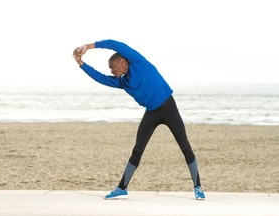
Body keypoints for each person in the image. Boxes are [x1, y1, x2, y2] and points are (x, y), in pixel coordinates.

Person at [72, 39, 205, 200]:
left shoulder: (138, 62)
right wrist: (81, 63)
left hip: (168, 107)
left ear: (122, 61)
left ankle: (198, 187)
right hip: (151, 113)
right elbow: (100, 78)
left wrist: (88, 46)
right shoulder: (123, 82)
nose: (112, 71)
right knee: (138, 150)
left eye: (112, 67)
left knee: (184, 146)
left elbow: (114, 44)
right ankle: (122, 188)